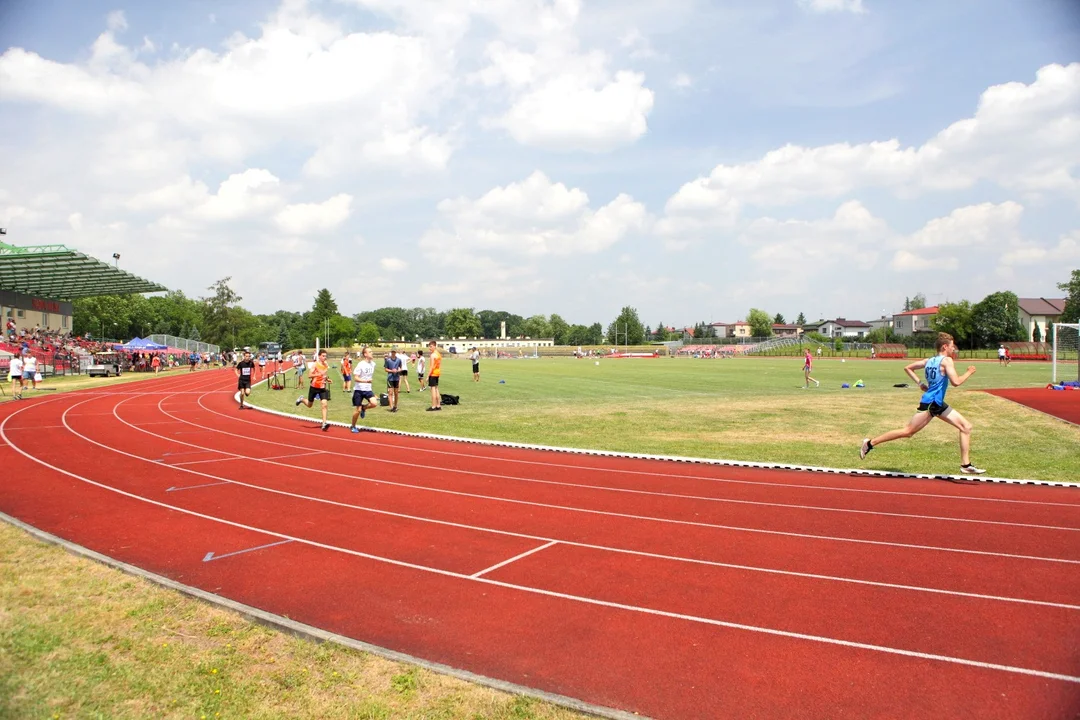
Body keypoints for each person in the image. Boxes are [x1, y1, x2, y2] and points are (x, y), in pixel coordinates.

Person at [860, 332, 984, 474]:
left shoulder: (928, 361)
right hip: (931, 404)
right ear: (945, 347)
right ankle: (869, 443)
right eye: (952, 346)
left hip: (936, 402)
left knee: (966, 427)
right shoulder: (947, 361)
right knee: (907, 432)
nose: (954, 349)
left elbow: (908, 368)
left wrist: (920, 384)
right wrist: (969, 372)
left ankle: (965, 464)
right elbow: (956, 382)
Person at [296, 349, 331, 431]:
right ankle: (301, 399)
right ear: (319, 356)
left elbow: (324, 375)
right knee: (309, 405)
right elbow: (309, 375)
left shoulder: (326, 365)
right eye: (323, 356)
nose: (324, 358)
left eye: (325, 356)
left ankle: (324, 423)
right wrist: (318, 374)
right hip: (314, 387)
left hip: (322, 387)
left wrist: (327, 379)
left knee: (324, 404)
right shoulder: (315, 364)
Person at [349, 346, 378, 433]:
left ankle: (364, 408)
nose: (372, 353)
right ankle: (353, 426)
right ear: (365, 354)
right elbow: (356, 378)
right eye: (370, 352)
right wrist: (366, 381)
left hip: (368, 389)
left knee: (374, 403)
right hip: (359, 390)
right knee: (357, 410)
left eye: (372, 351)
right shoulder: (361, 364)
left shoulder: (373, 364)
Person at [383, 348, 402, 412]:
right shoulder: (388, 360)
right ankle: (391, 407)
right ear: (391, 352)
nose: (393, 353)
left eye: (394, 352)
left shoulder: (399, 360)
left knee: (396, 393)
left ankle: (395, 406)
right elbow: (385, 369)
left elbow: (400, 367)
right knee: (390, 393)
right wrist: (392, 371)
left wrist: (399, 370)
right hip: (390, 378)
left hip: (396, 378)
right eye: (392, 352)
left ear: (396, 352)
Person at [426, 340, 442, 411]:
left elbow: (432, 366)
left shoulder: (433, 355)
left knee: (433, 390)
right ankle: (438, 405)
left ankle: (433, 406)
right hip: (437, 373)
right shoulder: (438, 354)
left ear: (435, 346)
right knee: (436, 389)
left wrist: (427, 376)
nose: (430, 348)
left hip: (433, 373)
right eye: (429, 347)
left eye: (431, 346)